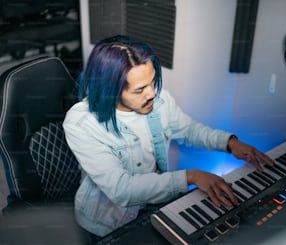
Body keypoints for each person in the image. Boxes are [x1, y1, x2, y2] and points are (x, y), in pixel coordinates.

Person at [63, 35, 274, 240]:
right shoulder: (81, 123)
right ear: (111, 90)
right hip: (110, 223)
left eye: (153, 81)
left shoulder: (159, 98)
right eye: (140, 90)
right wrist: (190, 176)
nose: (152, 93)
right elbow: (122, 189)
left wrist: (230, 143)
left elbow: (189, 130)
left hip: (155, 205)